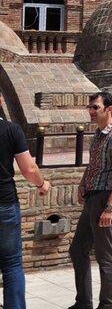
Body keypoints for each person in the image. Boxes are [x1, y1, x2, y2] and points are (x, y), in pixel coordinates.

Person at [68, 92, 112, 309]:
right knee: (78, 249)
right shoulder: (99, 135)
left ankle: (107, 305)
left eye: (95, 107)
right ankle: (83, 302)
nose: (91, 111)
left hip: (105, 198)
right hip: (92, 197)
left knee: (105, 256)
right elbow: (93, 164)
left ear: (109, 109)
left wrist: (110, 206)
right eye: (90, 107)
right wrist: (83, 183)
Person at [0, 96, 50, 309]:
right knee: (11, 264)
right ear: (0, 101)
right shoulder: (11, 130)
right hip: (5, 204)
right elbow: (29, 169)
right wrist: (42, 184)